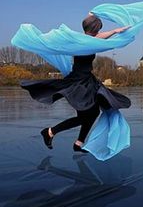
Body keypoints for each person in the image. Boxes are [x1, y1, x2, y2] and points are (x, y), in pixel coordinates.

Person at [20, 14, 130, 153]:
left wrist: (113, 30)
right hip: (79, 83)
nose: (98, 33)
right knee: (86, 116)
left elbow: (97, 37)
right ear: (93, 29)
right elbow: (98, 39)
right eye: (97, 29)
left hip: (87, 81)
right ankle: (50, 132)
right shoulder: (83, 42)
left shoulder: (85, 39)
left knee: (92, 113)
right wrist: (113, 32)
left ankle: (78, 143)